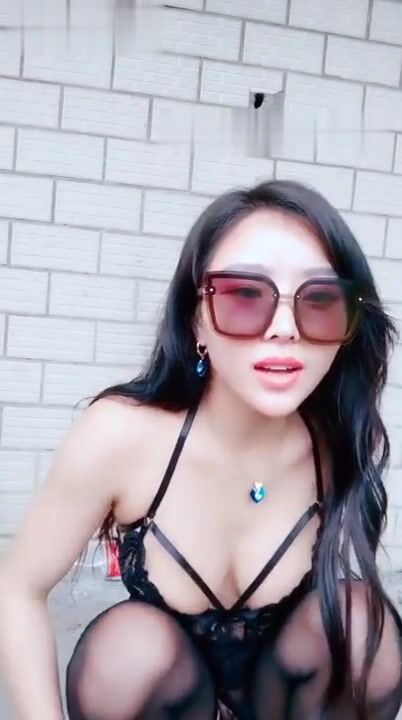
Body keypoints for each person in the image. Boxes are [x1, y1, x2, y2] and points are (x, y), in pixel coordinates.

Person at [0, 180, 401, 720]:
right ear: (196, 321)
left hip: (284, 702)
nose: (285, 329)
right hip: (171, 700)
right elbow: (18, 588)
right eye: (244, 295)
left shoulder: (336, 442)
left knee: (359, 627)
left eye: (320, 301)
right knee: (127, 655)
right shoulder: (122, 435)